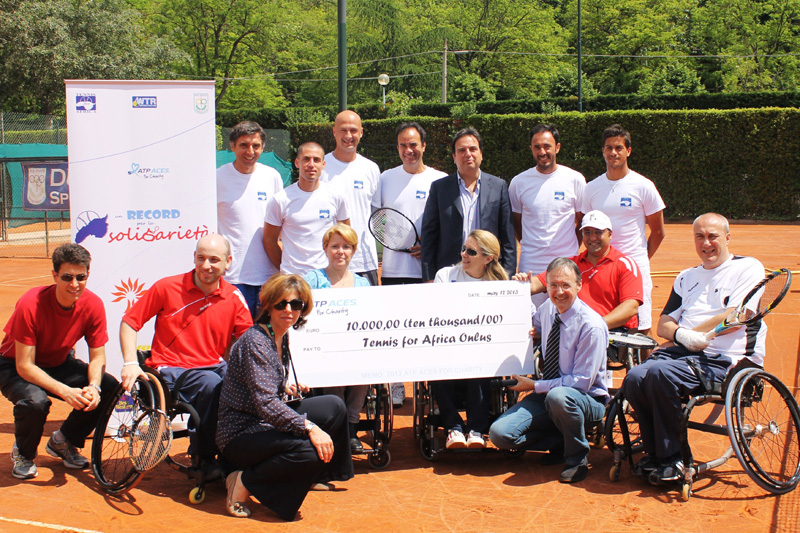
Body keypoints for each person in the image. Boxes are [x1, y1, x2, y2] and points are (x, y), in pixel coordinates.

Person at [621, 213, 766, 483]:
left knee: (660, 374)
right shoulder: (686, 277)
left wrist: (691, 334)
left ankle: (672, 458)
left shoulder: (749, 268)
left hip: (726, 360)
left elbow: (737, 316)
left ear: (727, 238)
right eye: (700, 236)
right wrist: (683, 336)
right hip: (685, 354)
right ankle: (655, 452)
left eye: (713, 236)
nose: (706, 243)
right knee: (635, 377)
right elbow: (664, 324)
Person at [217, 274, 353, 521]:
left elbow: (264, 386)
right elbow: (266, 404)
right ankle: (243, 481)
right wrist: (310, 427)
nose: (288, 310)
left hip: (263, 422)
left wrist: (285, 385)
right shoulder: (256, 342)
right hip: (241, 434)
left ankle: (314, 475)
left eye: (296, 304)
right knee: (309, 449)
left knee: (334, 406)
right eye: (281, 304)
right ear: (268, 306)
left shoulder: (281, 334)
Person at [120, 234, 253, 478]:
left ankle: (238, 453)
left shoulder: (234, 296)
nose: (206, 265)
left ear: (228, 262)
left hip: (213, 367)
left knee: (246, 385)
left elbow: (249, 342)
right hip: (171, 370)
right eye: (201, 258)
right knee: (212, 385)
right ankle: (203, 457)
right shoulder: (166, 287)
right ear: (194, 257)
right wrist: (130, 362)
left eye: (214, 259)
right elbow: (130, 322)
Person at [0, 243, 118, 480]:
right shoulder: (30, 303)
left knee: (109, 387)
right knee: (35, 402)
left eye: (81, 277)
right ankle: (24, 453)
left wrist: (94, 387)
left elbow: (98, 357)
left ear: (88, 274)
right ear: (55, 275)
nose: (74, 284)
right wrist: (65, 391)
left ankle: (63, 441)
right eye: (67, 277)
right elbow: (25, 365)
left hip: (58, 362)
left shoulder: (93, 304)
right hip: (14, 366)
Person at [489, 257, 609, 484]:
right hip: (549, 395)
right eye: (553, 285)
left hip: (586, 400)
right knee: (500, 435)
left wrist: (534, 385)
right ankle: (560, 441)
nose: (559, 292)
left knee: (559, 396)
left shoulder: (591, 326)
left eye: (565, 285)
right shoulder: (548, 309)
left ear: (579, 285)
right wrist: (521, 292)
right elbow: (529, 324)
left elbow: (581, 383)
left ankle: (577, 459)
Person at [372, 121, 447, 406]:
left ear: (424, 146)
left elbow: (448, 224)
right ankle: (396, 385)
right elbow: (378, 220)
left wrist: (430, 246)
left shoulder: (440, 179)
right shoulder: (385, 178)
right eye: (403, 145)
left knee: (429, 331)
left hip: (429, 272)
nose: (408, 150)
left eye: (413, 144)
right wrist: (398, 240)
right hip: (393, 270)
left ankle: (432, 385)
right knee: (394, 330)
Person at [580, 124, 666, 333]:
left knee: (641, 330)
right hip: (602, 271)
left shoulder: (643, 185)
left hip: (635, 267)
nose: (613, 152)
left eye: (619, 148)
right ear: (603, 151)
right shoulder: (591, 188)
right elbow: (586, 228)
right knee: (603, 325)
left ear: (628, 151)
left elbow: (658, 231)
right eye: (609, 148)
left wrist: (638, 259)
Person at [432, 229, 509, 450]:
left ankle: (477, 429)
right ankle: (453, 428)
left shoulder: (500, 284)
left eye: (471, 252)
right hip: (448, 349)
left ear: (488, 258)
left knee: (479, 359)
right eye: (464, 249)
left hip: (482, 353)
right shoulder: (445, 276)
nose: (464, 254)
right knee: (435, 362)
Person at [516, 210, 643, 331]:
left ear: (610, 234)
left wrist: (596, 326)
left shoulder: (625, 265)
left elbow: (631, 307)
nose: (592, 238)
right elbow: (535, 284)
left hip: (611, 332)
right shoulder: (570, 265)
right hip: (574, 331)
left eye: (598, 232)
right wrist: (521, 283)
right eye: (587, 232)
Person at [303, 224, 370, 453]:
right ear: (325, 249)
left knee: (365, 368)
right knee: (334, 368)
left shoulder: (363, 284)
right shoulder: (313, 280)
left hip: (354, 347)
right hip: (323, 348)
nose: (340, 252)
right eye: (335, 246)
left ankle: (351, 427)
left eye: (346, 247)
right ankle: (340, 424)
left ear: (353, 250)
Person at [421, 127, 516, 282]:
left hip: (488, 274)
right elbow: (429, 236)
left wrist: (507, 277)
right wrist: (429, 277)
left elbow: (508, 239)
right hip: (451, 274)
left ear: (481, 154)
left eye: (473, 149)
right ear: (454, 156)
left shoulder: (498, 187)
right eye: (461, 150)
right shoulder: (439, 188)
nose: (468, 154)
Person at [509, 124, 586, 307]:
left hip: (566, 264)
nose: (542, 152)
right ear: (531, 149)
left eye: (547, 146)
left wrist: (569, 248)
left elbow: (582, 222)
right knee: (531, 319)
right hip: (531, 265)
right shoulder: (518, 182)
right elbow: (516, 223)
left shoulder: (575, 179)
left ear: (557, 147)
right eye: (537, 147)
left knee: (566, 316)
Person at [217, 120, 285, 318]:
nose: (250, 151)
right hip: (232, 276)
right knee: (235, 332)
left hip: (268, 276)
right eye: (244, 145)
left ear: (263, 147)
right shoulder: (217, 178)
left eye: (256, 146)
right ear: (232, 146)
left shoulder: (272, 176)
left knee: (267, 332)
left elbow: (281, 223)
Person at [264, 142, 350, 275]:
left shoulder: (337, 196)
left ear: (323, 164)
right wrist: (287, 269)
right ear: (297, 163)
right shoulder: (280, 199)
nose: (311, 164)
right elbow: (269, 240)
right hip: (293, 278)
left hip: (327, 277)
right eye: (306, 159)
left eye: (316, 160)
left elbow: (346, 236)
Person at [321, 110, 381, 285]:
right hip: (328, 262)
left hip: (364, 262)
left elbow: (376, 214)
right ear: (334, 132)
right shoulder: (321, 167)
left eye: (353, 130)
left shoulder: (371, 169)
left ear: (361, 133)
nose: (348, 135)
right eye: (343, 130)